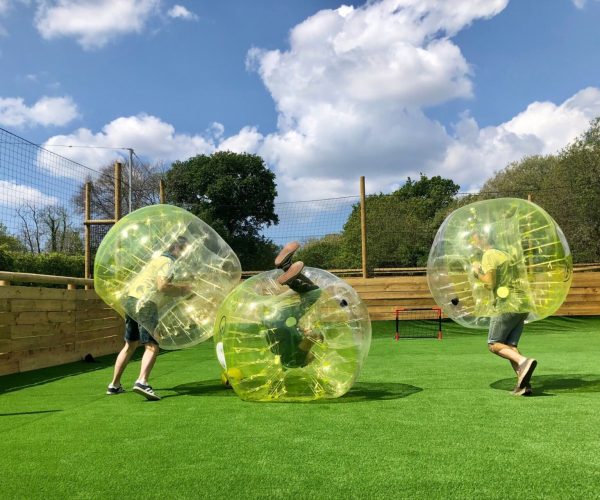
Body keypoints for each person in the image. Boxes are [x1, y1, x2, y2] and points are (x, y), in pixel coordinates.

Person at [106, 236, 192, 401]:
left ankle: (114, 385)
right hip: (145, 302)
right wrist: (184, 289)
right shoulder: (168, 262)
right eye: (184, 250)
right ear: (177, 249)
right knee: (152, 345)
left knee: (130, 344)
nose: (184, 255)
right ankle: (142, 382)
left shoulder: (157, 259)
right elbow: (162, 286)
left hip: (131, 300)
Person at [470, 231, 537, 396]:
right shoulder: (505, 254)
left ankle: (523, 361)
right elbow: (498, 283)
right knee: (511, 346)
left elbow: (491, 282)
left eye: (475, 237)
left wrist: (477, 272)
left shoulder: (489, 255)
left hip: (506, 304)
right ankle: (523, 385)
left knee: (494, 344)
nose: (473, 241)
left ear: (484, 237)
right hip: (522, 304)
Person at [263, 241, 324, 369]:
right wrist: (302, 330)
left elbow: (313, 336)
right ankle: (286, 266)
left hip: (277, 321)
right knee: (306, 294)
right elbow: (286, 334)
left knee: (315, 293)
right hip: (271, 319)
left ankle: (289, 275)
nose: (314, 357)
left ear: (305, 362)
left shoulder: (296, 360)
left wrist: (317, 337)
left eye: (312, 358)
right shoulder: (282, 353)